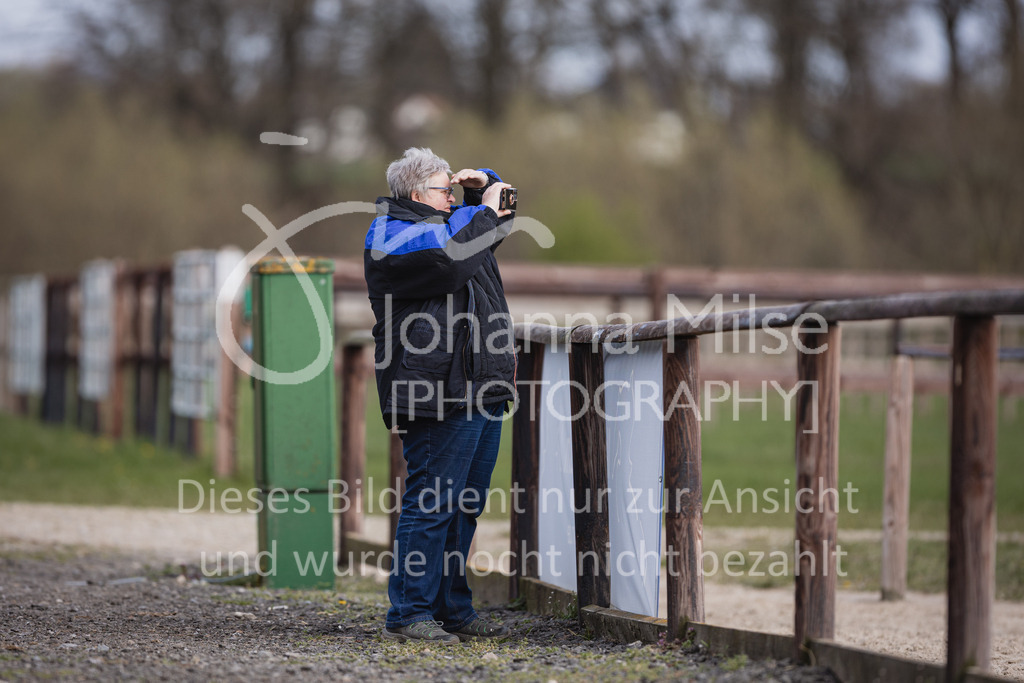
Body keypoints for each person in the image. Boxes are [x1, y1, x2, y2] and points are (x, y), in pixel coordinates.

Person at [363, 147, 518, 644]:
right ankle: (409, 613)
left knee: (464, 504)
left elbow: (496, 222)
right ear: (415, 194)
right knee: (432, 503)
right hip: (435, 392)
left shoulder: (449, 224)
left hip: (478, 386)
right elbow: (450, 261)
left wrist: (483, 189)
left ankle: (451, 607)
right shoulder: (392, 234)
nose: (450, 198)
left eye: (452, 191)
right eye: (443, 189)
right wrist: (482, 208)